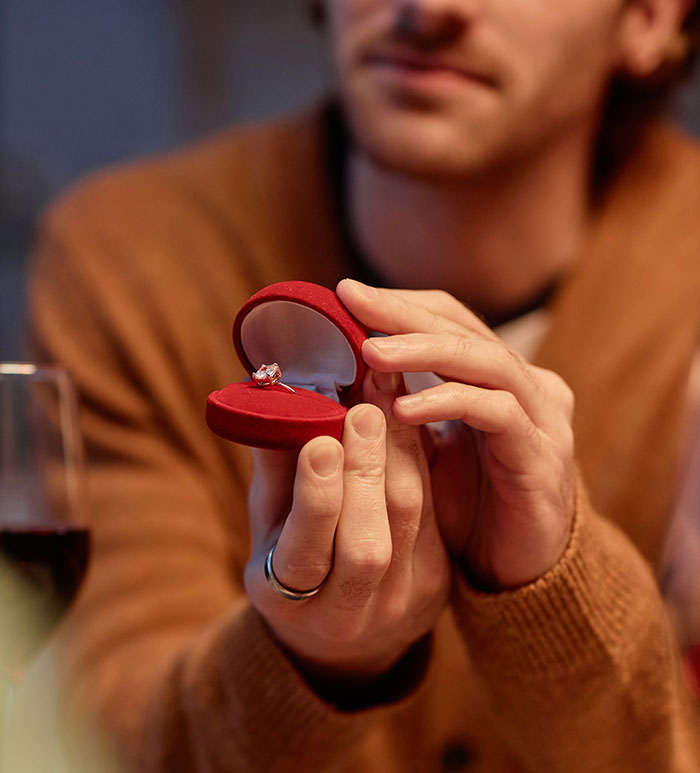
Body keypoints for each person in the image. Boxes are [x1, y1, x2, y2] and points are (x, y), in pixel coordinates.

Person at [28, 0, 700, 770]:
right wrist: (308, 658)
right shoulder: (131, 261)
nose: (429, 9)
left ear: (651, 17)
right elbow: (129, 736)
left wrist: (559, 597)